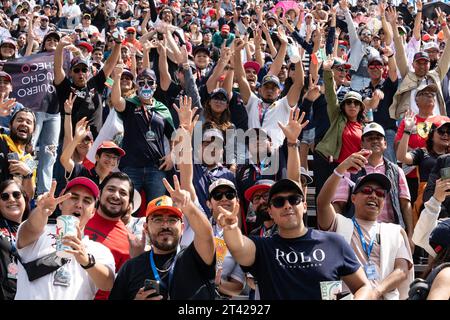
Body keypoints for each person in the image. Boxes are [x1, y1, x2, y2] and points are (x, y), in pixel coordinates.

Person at [217, 177, 374, 300]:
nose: (287, 205)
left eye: (294, 200)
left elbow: (364, 287)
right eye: (279, 202)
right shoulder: (262, 247)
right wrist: (230, 228)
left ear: (304, 206)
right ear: (270, 212)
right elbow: (238, 247)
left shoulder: (334, 242)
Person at [109, 175, 216, 300]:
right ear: (146, 227)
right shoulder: (130, 268)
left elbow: (206, 235)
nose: (165, 225)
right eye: (158, 219)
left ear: (182, 228)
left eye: (172, 219)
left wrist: (188, 206)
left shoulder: (196, 256)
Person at [318, 161, 414, 300]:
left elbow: (402, 270)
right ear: (353, 198)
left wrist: (374, 293)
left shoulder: (393, 231)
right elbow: (322, 203)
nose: (374, 196)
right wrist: (340, 169)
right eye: (367, 190)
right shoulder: (339, 224)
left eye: (380, 193)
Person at [15, 178, 115, 300]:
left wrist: (87, 261)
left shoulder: (99, 250)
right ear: (60, 203)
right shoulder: (40, 231)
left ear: (93, 212)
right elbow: (30, 229)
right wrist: (41, 211)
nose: (79, 204)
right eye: (73, 197)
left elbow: (108, 284)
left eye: (87, 201)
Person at [331, 123, 413, 243]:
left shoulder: (397, 171)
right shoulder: (351, 169)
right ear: (362, 144)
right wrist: (340, 232)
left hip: (390, 232)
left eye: (378, 138)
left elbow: (405, 205)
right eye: (370, 138)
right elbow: (338, 204)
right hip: (358, 232)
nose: (374, 141)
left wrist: (410, 234)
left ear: (385, 144)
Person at [111, 66, 175, 203]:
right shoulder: (130, 105)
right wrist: (116, 77)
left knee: (157, 207)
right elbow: (116, 102)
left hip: (156, 169)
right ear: (136, 86)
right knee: (126, 206)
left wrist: (172, 155)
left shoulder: (162, 109)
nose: (146, 85)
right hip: (131, 167)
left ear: (155, 86)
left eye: (150, 82)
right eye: (141, 83)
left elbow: (173, 136)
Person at [233, 36, 304, 148]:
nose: (269, 90)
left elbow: (299, 84)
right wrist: (237, 53)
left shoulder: (285, 104)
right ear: (260, 90)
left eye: (273, 87)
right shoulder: (253, 102)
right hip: (253, 155)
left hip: (275, 156)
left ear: (279, 91)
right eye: (266, 87)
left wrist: (297, 60)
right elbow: (242, 78)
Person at [314, 56, 366, 202]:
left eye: (356, 103)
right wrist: (326, 71)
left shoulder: (364, 127)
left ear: (361, 108)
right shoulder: (337, 117)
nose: (352, 105)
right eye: (348, 102)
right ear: (343, 106)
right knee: (329, 202)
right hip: (335, 168)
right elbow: (330, 94)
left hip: (356, 172)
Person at [84, 172, 134, 300]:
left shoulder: (130, 243)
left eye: (123, 193)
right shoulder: (78, 215)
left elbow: (122, 289)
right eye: (111, 189)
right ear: (99, 194)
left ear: (129, 204)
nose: (116, 196)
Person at [397, 115, 450, 226]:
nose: (446, 134)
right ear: (431, 134)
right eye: (441, 131)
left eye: (449, 132)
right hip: (427, 199)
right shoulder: (422, 153)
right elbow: (402, 157)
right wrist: (407, 130)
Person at [0, 180, 30, 300]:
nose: (11, 199)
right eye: (4, 196)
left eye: (16, 195)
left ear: (25, 199)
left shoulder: (36, 230)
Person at [0, 108, 36, 200]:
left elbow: (29, 196)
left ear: (33, 130)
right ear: (10, 125)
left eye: (28, 122)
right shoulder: (1, 139)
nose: (24, 123)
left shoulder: (30, 161)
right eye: (19, 120)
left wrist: (27, 174)